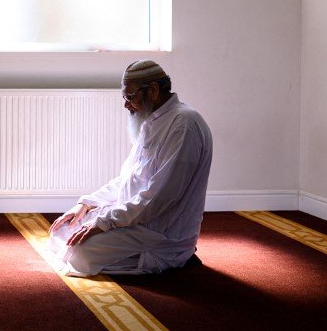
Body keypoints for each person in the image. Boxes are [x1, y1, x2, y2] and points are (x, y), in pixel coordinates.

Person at [48, 60, 213, 276]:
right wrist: (87, 204)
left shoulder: (184, 125)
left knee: (80, 252)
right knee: (62, 231)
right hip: (135, 219)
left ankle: (173, 260)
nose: (126, 105)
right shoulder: (152, 121)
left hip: (159, 231)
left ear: (152, 90)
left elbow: (160, 198)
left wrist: (105, 222)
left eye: (130, 97)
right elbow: (127, 179)